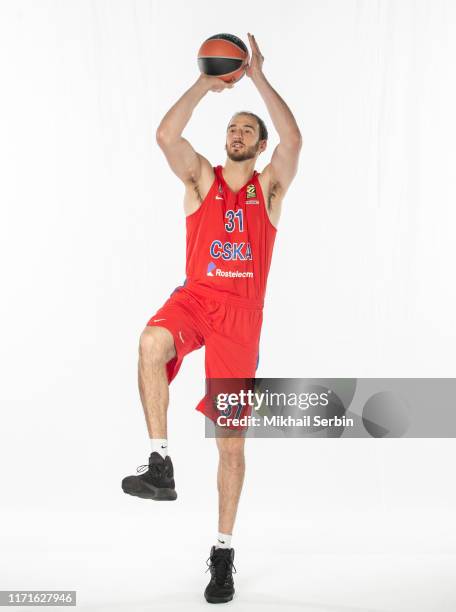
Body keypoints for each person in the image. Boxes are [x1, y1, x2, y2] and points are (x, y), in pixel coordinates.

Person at [121, 33, 301, 604]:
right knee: (152, 341)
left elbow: (294, 139)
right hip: (197, 298)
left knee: (230, 444)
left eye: (248, 129)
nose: (238, 134)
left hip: (240, 320)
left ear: (260, 143)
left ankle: (223, 553)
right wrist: (207, 81)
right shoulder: (202, 179)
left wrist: (258, 79)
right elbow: (164, 136)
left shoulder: (270, 189)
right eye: (232, 128)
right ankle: (160, 461)